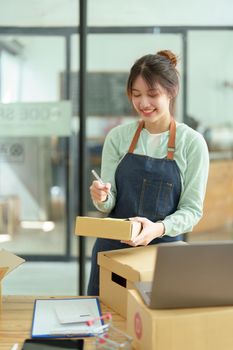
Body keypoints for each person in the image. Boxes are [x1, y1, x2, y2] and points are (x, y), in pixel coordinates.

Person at [87, 49, 209, 296]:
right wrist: (101, 197)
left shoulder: (192, 143)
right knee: (104, 321)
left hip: (163, 254)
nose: (143, 103)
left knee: (158, 325)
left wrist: (157, 228)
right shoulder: (118, 137)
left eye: (152, 94)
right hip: (113, 249)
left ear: (171, 92)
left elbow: (192, 211)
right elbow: (108, 203)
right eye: (136, 94)